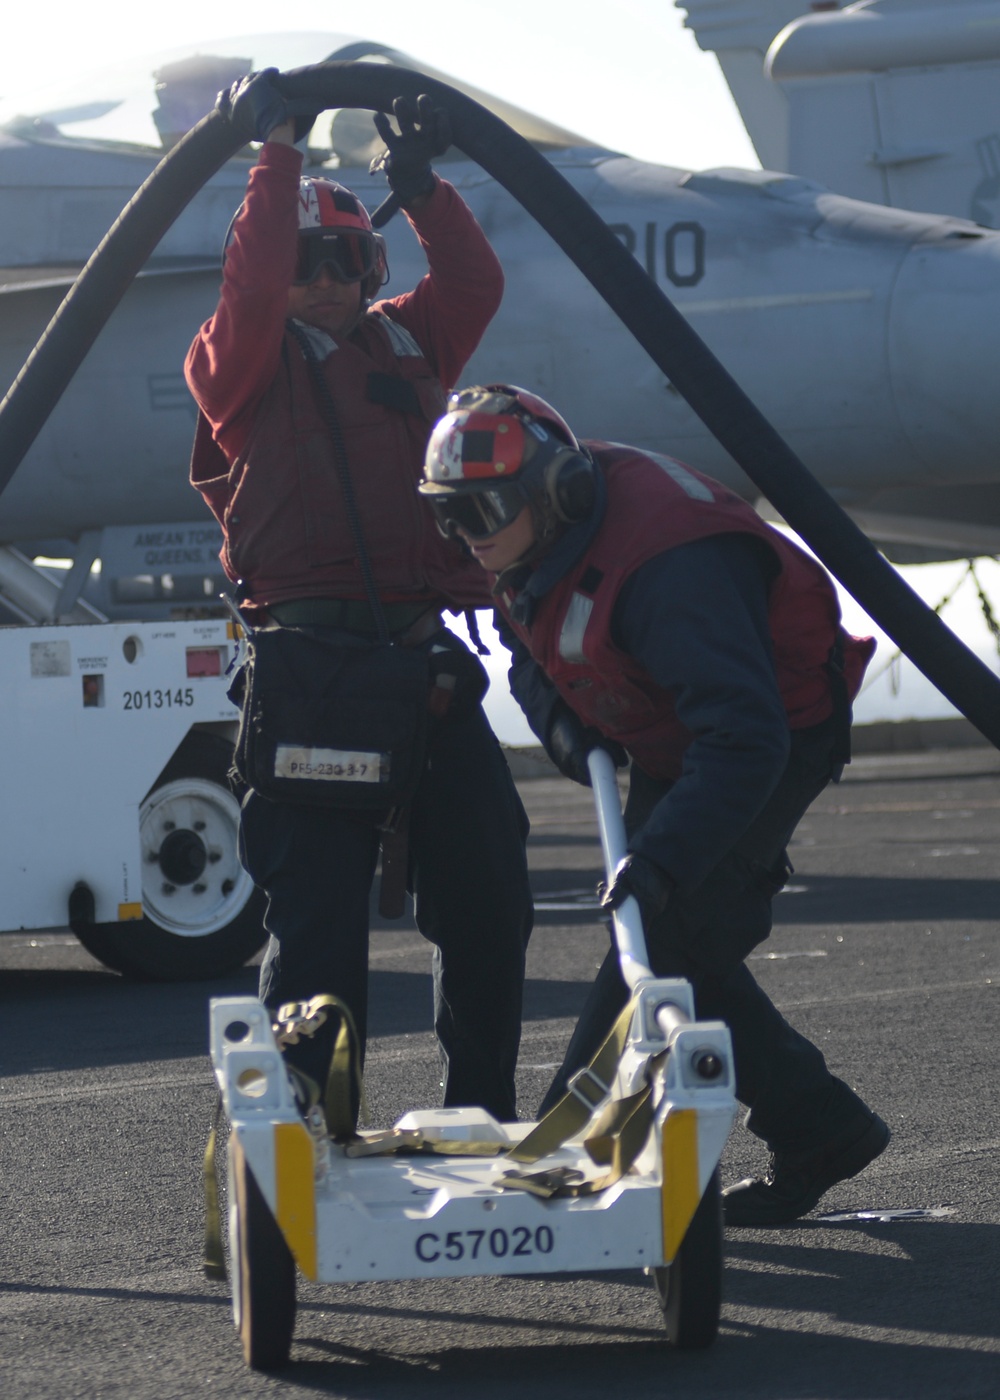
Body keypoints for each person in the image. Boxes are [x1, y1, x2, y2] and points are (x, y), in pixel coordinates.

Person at [418, 383, 890, 1226]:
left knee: (661, 929)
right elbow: (530, 654)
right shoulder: (526, 536)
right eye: (450, 515)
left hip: (768, 735)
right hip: (681, 733)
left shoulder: (670, 562)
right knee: (681, 940)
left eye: (484, 509)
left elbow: (746, 738)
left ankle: (576, 1147)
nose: (470, 534)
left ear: (554, 488)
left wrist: (664, 858)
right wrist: (569, 734)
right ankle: (821, 1126)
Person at [184, 74, 533, 1124]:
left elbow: (473, 283)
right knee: (321, 926)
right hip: (312, 676)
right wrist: (276, 153)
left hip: (420, 665)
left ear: (370, 265)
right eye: (302, 263)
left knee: (487, 895)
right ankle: (309, 1131)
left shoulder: (410, 343)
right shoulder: (238, 364)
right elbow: (247, 294)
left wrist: (421, 185)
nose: (324, 280)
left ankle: (478, 1110)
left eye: (343, 258)